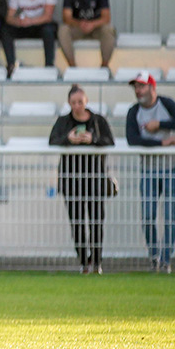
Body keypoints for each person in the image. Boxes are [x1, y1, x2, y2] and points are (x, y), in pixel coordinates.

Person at [49, 85, 115, 274]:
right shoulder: (63, 121)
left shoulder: (97, 121)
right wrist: (69, 139)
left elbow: (109, 141)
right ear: (69, 103)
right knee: (76, 222)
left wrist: (92, 139)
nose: (77, 106)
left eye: (80, 102)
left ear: (86, 101)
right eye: (73, 102)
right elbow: (53, 140)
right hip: (71, 180)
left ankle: (96, 261)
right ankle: (83, 261)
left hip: (95, 179)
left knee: (96, 221)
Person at [125, 73, 175, 273]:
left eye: (142, 86)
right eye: (136, 87)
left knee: (171, 216)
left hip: (171, 168)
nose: (138, 91)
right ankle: (154, 254)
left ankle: (165, 260)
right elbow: (133, 139)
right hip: (148, 170)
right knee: (147, 215)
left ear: (152, 88)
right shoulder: (134, 112)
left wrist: (161, 125)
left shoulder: (166, 104)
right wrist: (162, 142)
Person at [2, 0, 59, 73]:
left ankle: (49, 66)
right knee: (5, 30)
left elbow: (48, 16)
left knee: (49, 30)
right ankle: (11, 65)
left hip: (40, 25)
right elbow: (9, 17)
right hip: (23, 26)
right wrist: (18, 21)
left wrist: (31, 21)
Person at [59, 0, 116, 68]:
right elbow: (66, 17)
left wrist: (92, 24)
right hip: (77, 28)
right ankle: (72, 67)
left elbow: (106, 17)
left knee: (108, 30)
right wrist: (80, 23)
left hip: (96, 28)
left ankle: (104, 66)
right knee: (63, 30)